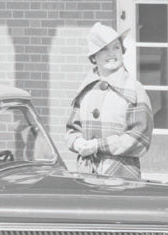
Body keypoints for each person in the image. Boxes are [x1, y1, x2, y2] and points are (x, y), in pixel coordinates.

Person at [65, 22, 153, 179]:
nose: (111, 53)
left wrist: (98, 146)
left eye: (116, 47)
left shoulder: (134, 90)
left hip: (121, 174)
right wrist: (77, 143)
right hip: (86, 172)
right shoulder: (85, 90)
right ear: (94, 56)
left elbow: (140, 138)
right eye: (104, 49)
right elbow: (71, 131)